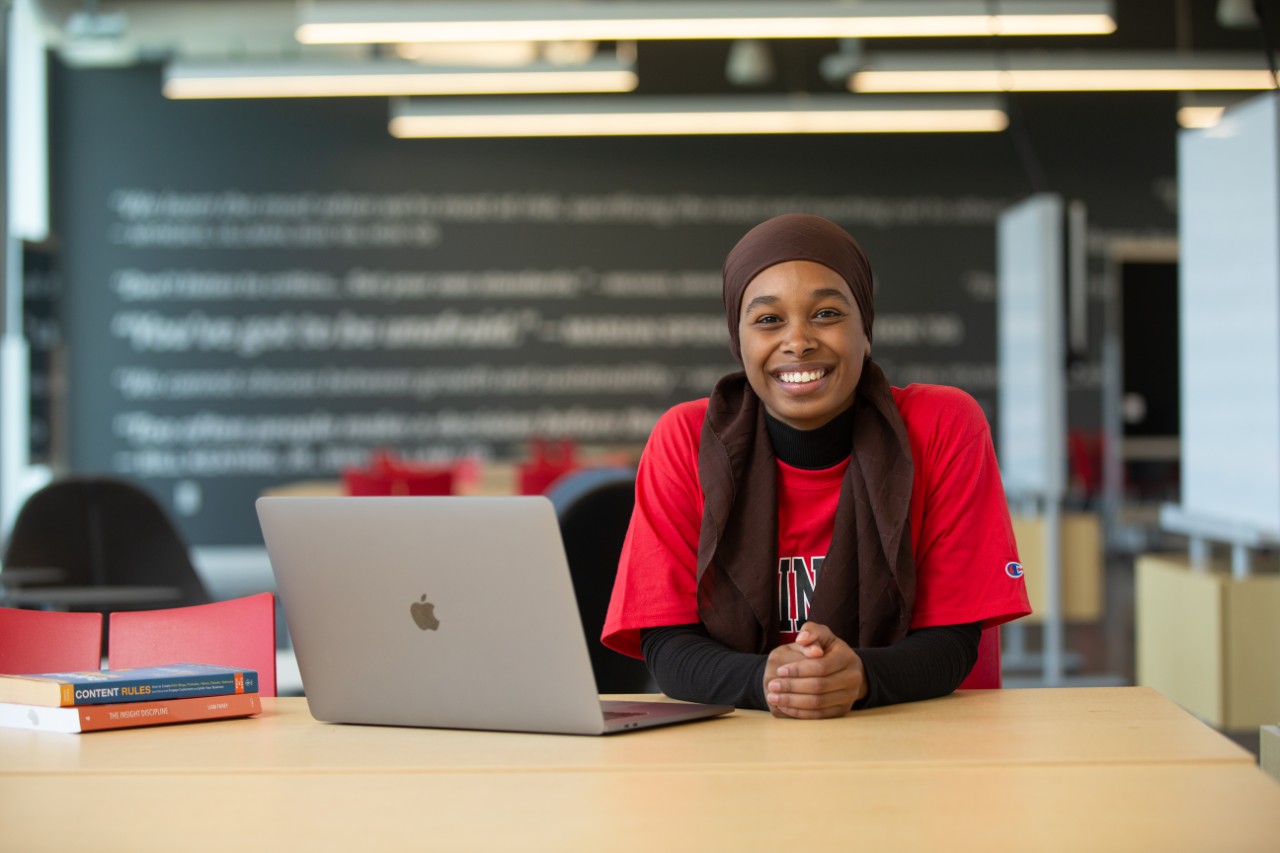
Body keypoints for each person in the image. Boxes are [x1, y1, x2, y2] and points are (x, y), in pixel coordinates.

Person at [601, 214, 1031, 719]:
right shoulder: (686, 439)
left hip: (922, 739)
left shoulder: (944, 425)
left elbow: (955, 643)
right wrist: (769, 681)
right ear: (738, 343)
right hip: (743, 747)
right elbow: (667, 645)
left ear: (865, 331)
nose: (799, 340)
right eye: (768, 320)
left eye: (826, 314)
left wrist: (861, 677)